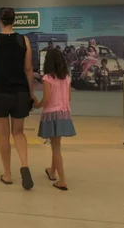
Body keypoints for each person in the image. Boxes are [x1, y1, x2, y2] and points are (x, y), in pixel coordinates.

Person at [0, 7, 36, 190]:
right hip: (20, 93)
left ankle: (7, 174)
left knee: (3, 135)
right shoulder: (24, 40)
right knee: (18, 133)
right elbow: (28, 69)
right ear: (15, 21)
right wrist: (31, 93)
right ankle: (25, 165)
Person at [35, 48, 76, 191]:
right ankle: (52, 171)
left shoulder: (47, 78)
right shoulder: (67, 78)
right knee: (56, 144)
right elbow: (69, 98)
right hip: (64, 114)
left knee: (56, 148)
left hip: (51, 115)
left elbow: (46, 100)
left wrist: (37, 105)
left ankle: (62, 180)